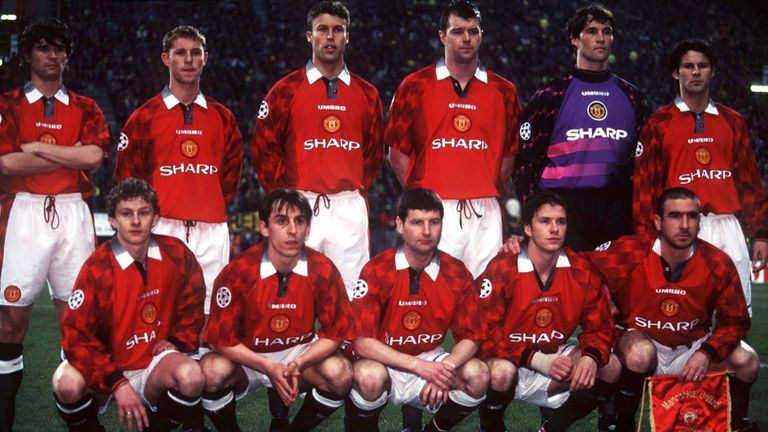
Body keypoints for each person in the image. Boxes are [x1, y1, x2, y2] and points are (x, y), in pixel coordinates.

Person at [0, 18, 109, 431]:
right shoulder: (8, 104)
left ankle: (81, 422)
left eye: (59, 48)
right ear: (28, 54)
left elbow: (94, 158)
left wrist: (35, 149)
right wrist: (69, 153)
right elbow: (7, 163)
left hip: (72, 214)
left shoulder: (87, 107)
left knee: (77, 322)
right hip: (24, 213)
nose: (52, 55)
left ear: (67, 55)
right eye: (43, 47)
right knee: (10, 323)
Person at [588, 187, 758, 431]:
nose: (685, 225)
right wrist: (606, 300)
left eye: (692, 216)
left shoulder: (717, 262)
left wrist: (706, 353)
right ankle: (622, 422)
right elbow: (582, 268)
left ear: (700, 222)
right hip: (639, 340)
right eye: (675, 216)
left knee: (747, 360)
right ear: (658, 222)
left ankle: (736, 423)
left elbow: (736, 320)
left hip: (691, 348)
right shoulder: (632, 251)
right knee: (640, 354)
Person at [250, 1, 384, 298]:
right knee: (293, 296)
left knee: (352, 296)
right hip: (299, 206)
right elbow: (263, 148)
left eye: (338, 30)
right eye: (322, 29)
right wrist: (285, 199)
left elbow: (374, 153)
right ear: (309, 36)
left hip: (348, 206)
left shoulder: (367, 94)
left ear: (347, 36)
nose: (330, 36)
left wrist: (350, 185)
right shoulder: (284, 91)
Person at [51, 178, 207, 432]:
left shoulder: (176, 253)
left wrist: (178, 341)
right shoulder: (97, 268)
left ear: (155, 218)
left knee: (191, 376)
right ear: (113, 220)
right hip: (107, 367)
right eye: (126, 214)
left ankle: (156, 427)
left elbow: (193, 303)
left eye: (143, 213)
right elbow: (75, 337)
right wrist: (117, 382)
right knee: (65, 383)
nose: (135, 221)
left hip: (154, 364)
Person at [385, 0, 521, 279]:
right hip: (436, 211)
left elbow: (509, 155)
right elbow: (397, 154)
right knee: (435, 295)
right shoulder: (414, 86)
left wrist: (484, 187)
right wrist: (424, 201)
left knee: (486, 293)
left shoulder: (504, 91)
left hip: (485, 209)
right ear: (442, 36)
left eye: (473, 31)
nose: (466, 38)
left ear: (481, 34)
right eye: (458, 32)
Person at [632, 39, 768, 315]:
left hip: (727, 227)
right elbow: (645, 190)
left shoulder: (733, 121)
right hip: (678, 229)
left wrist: (762, 235)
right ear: (676, 72)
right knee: (681, 319)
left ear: (712, 71)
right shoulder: (658, 124)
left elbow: (749, 182)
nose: (695, 72)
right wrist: (646, 241)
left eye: (702, 66)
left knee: (736, 319)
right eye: (688, 66)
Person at [115, 25, 244, 315]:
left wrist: (204, 202)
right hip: (162, 227)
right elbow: (127, 178)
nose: (188, 59)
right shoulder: (144, 116)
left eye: (196, 53)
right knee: (157, 312)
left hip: (211, 229)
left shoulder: (223, 118)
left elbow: (230, 178)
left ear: (205, 59)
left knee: (210, 315)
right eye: (180, 53)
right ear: (166, 58)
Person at [200, 189, 353, 432]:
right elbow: (218, 339)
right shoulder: (238, 271)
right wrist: (267, 366)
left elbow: (336, 333)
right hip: (249, 356)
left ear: (308, 228)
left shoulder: (323, 269)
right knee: (210, 371)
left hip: (298, 353)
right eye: (282, 221)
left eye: (299, 221)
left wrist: (299, 363)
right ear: (264, 227)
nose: (292, 230)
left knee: (340, 373)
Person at [345, 188, 489, 432]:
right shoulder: (377, 270)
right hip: (383, 360)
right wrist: (419, 367)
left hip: (429, 358)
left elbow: (472, 336)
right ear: (400, 225)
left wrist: (445, 369)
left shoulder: (456, 272)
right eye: (417, 222)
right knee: (368, 377)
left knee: (478, 375)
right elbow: (361, 342)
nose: (426, 231)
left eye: (434, 222)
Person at [476, 191, 619, 432]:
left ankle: (554, 427)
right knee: (500, 373)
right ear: (528, 229)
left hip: (555, 362)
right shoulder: (504, 267)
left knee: (610, 365)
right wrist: (536, 359)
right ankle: (491, 426)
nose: (554, 229)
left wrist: (591, 357)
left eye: (560, 222)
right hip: (509, 361)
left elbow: (601, 326)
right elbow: (483, 332)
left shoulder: (581, 269)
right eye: (545, 221)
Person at [512, 3, 645, 252]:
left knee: (615, 277)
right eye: (592, 31)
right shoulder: (550, 95)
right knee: (567, 278)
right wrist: (537, 213)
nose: (601, 38)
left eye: (607, 32)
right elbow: (525, 165)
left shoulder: (631, 96)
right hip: (564, 209)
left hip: (616, 211)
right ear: (575, 39)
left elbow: (640, 164)